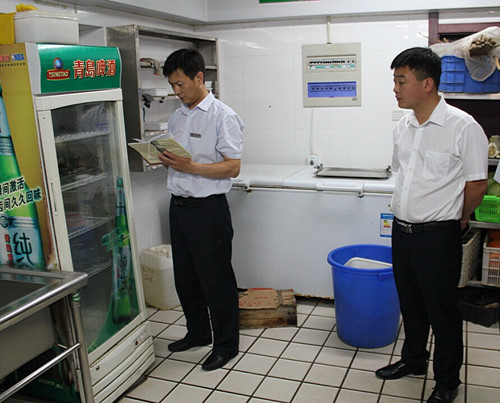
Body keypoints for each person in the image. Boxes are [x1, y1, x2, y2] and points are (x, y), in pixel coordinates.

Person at [375, 47, 488, 403]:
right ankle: (413, 360)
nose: (395, 88)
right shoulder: (403, 127)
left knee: (442, 311)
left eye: (401, 81)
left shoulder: (463, 126)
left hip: (438, 235)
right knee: (410, 304)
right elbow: (403, 175)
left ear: (427, 84)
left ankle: (448, 381)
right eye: (395, 81)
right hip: (402, 231)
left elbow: (477, 184)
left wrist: (460, 216)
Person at [158, 48, 243, 371]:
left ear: (198, 77)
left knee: (216, 280)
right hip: (179, 207)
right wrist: (164, 159)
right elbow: (177, 159)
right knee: (185, 277)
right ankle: (198, 333)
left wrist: (190, 166)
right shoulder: (178, 115)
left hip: (208, 210)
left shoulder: (223, 116)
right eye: (172, 85)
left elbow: (232, 167)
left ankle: (226, 345)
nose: (176, 91)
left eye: (180, 84)